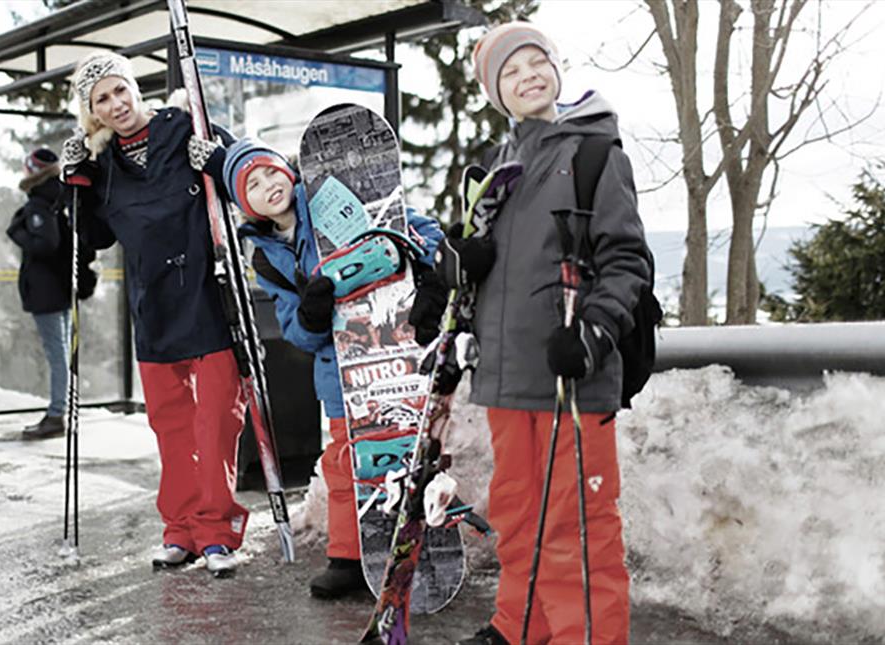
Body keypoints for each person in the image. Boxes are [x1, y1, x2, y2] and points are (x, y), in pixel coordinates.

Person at [436, 22, 651, 645]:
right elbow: (475, 283)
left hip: (570, 376)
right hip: (508, 377)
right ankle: (522, 624)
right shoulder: (497, 171)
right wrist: (464, 262)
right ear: (496, 93)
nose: (529, 75)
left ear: (556, 70)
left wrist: (592, 333)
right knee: (517, 514)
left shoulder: (593, 154)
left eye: (538, 63)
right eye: (511, 71)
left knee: (576, 524)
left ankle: (587, 636)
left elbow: (626, 260)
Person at [224, 138, 446, 599]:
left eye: (271, 173)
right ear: (245, 205)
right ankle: (349, 556)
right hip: (339, 369)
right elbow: (296, 332)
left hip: (391, 353)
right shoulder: (266, 255)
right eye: (253, 186)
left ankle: (417, 546)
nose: (269, 187)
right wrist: (310, 314)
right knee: (347, 462)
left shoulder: (332, 200)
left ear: (288, 171)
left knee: (403, 451)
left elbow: (420, 229)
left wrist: (429, 276)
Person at [58, 51, 248, 576]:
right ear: (92, 112)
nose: (116, 104)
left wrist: (218, 155)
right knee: (170, 426)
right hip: (153, 306)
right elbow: (90, 238)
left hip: (206, 297)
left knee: (215, 423)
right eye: (102, 99)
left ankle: (216, 532)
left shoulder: (183, 127)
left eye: (120, 90)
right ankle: (181, 530)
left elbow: (243, 179)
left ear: (135, 88)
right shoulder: (105, 167)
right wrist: (72, 181)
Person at [7, 148, 98, 440]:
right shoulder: (60, 195)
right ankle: (62, 410)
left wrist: (18, 233)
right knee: (61, 352)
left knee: (57, 353)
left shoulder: (38, 203)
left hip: (46, 290)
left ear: (33, 172)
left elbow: (46, 244)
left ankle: (58, 414)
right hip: (61, 286)